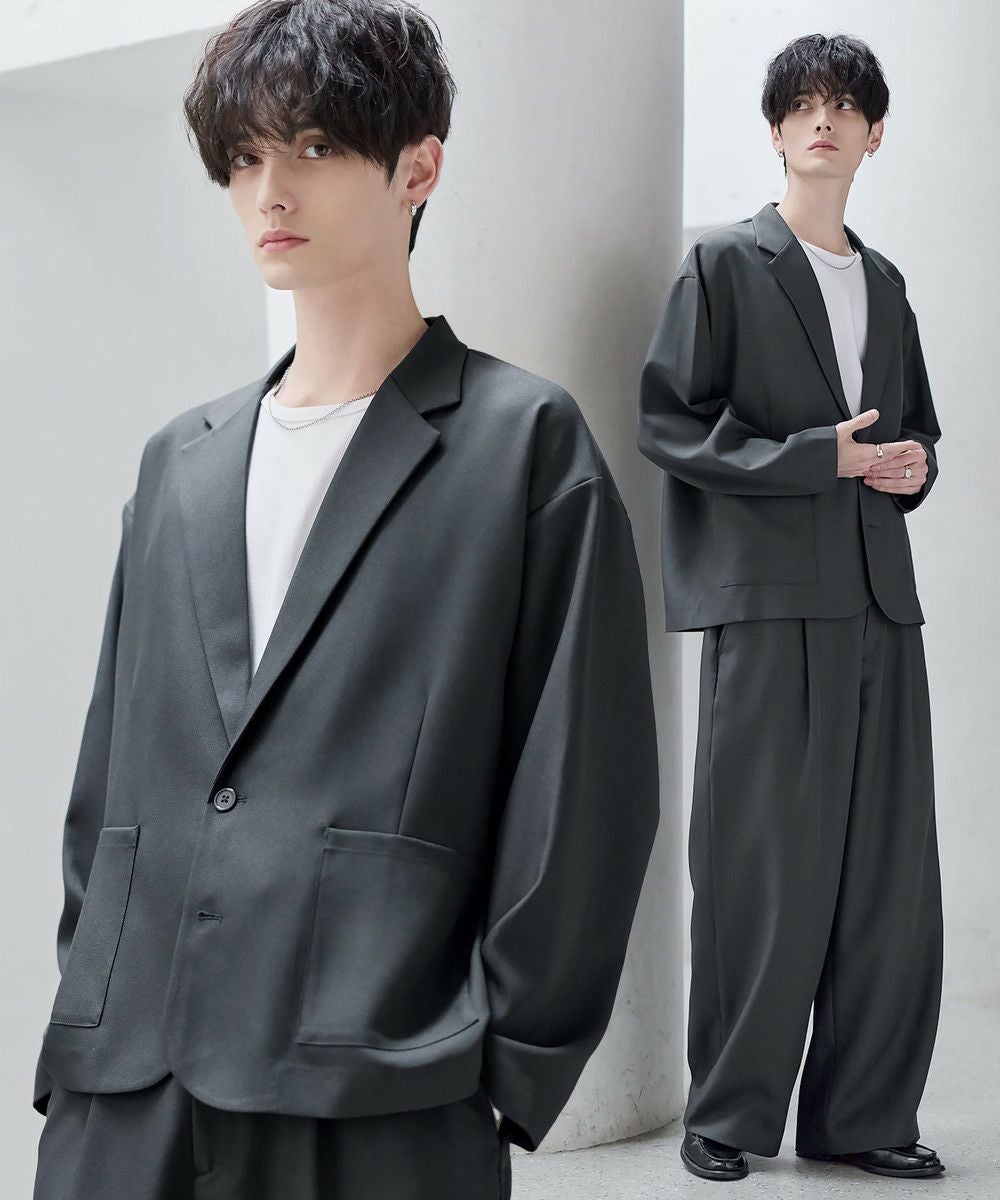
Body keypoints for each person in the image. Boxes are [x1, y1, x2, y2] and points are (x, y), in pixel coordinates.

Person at [31, 2, 661, 1196]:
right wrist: (88, 1002)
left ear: (417, 168)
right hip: (127, 1089)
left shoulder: (521, 445)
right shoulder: (180, 462)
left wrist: (506, 1069)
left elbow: (585, 787)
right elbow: (112, 773)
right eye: (245, 156)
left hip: (377, 1081)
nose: (270, 190)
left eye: (315, 147)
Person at [637, 32, 944, 1184]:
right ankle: (726, 1114)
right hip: (768, 607)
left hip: (878, 606)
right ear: (776, 129)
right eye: (803, 104)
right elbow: (670, 423)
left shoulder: (888, 286)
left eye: (844, 106)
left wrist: (910, 465)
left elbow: (912, 431)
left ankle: (862, 1117)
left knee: (886, 881)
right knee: (759, 868)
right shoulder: (723, 264)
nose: (823, 120)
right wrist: (823, 459)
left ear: (873, 134)